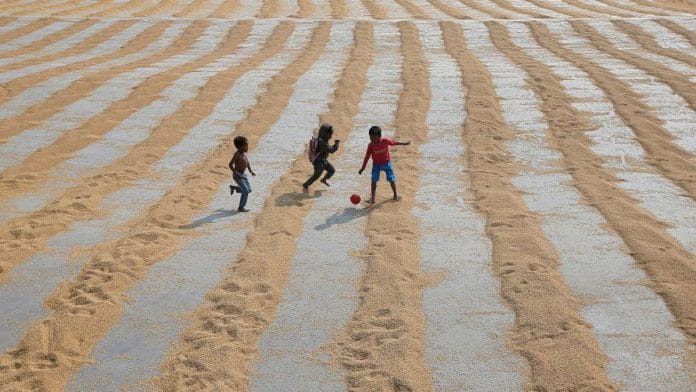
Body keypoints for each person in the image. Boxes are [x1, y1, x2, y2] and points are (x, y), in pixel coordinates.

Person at [358, 125, 410, 204]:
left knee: (391, 179)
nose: (372, 140)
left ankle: (395, 195)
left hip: (386, 164)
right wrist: (363, 168)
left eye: (373, 138)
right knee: (373, 181)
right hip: (376, 165)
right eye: (370, 138)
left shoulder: (385, 141)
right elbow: (367, 157)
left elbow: (394, 143)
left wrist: (404, 143)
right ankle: (373, 198)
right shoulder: (371, 145)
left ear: (379, 136)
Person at [303, 123, 339, 191]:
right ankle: (306, 184)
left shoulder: (323, 140)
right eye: (330, 134)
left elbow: (328, 148)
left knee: (332, 170)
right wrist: (336, 144)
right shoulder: (321, 142)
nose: (331, 136)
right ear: (325, 134)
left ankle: (324, 179)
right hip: (318, 162)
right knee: (316, 175)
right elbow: (331, 150)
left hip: (323, 160)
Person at [229, 135, 255, 212]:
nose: (247, 147)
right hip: (237, 176)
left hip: (243, 175)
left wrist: (251, 171)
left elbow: (247, 162)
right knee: (246, 191)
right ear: (240, 147)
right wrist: (235, 173)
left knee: (249, 190)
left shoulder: (243, 153)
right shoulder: (237, 155)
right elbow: (230, 164)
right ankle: (241, 207)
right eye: (246, 146)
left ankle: (234, 188)